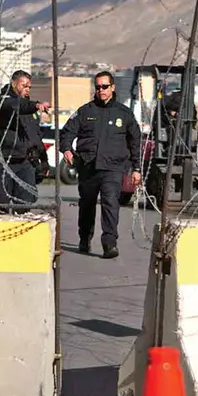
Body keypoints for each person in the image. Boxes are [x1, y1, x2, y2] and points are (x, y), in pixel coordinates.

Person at [60, 71, 142, 258]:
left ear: (112, 87)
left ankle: (109, 243)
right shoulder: (85, 111)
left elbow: (135, 142)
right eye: (98, 87)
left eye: (105, 86)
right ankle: (84, 238)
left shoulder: (124, 114)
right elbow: (67, 132)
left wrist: (136, 169)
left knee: (110, 203)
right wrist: (66, 149)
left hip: (113, 168)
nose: (101, 90)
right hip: (88, 166)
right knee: (87, 205)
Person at [0, 70, 50, 213]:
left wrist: (43, 160)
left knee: (25, 204)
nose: (27, 89)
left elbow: (35, 135)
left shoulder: (29, 108)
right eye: (24, 85)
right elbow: (14, 105)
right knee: (1, 204)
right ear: (14, 83)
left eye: (29, 87)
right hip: (5, 162)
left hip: (25, 162)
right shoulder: (2, 101)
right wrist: (35, 105)